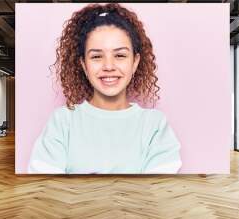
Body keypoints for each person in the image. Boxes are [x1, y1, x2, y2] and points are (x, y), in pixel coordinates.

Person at [28, 3, 182, 174]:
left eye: (120, 55)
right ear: (84, 65)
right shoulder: (62, 122)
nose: (109, 66)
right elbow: (44, 188)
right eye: (96, 56)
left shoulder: (155, 125)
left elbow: (158, 192)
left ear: (135, 62)